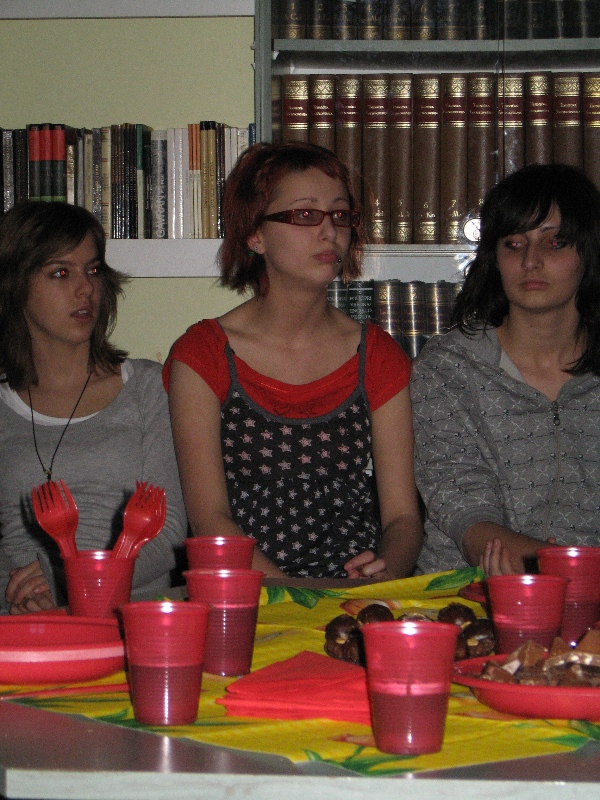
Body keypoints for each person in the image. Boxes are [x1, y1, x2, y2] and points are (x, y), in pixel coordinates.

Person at [164, 141, 422, 580]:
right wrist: (295, 597)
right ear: (255, 235)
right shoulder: (204, 354)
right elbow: (210, 521)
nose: (329, 232)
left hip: (353, 590)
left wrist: (384, 572)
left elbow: (403, 518)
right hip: (249, 592)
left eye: (340, 215)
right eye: (305, 215)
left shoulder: (378, 355)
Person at [410, 163, 600, 577]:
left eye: (555, 243)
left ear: (588, 252)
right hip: (467, 593)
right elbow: (469, 520)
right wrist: (573, 571)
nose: (531, 261)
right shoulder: (447, 368)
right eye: (514, 244)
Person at [0, 201, 188, 614]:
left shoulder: (146, 386)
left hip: (134, 614)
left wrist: (70, 581)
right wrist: (22, 595)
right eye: (60, 273)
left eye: (93, 269)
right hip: (25, 616)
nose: (85, 288)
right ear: (15, 284)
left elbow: (170, 529)